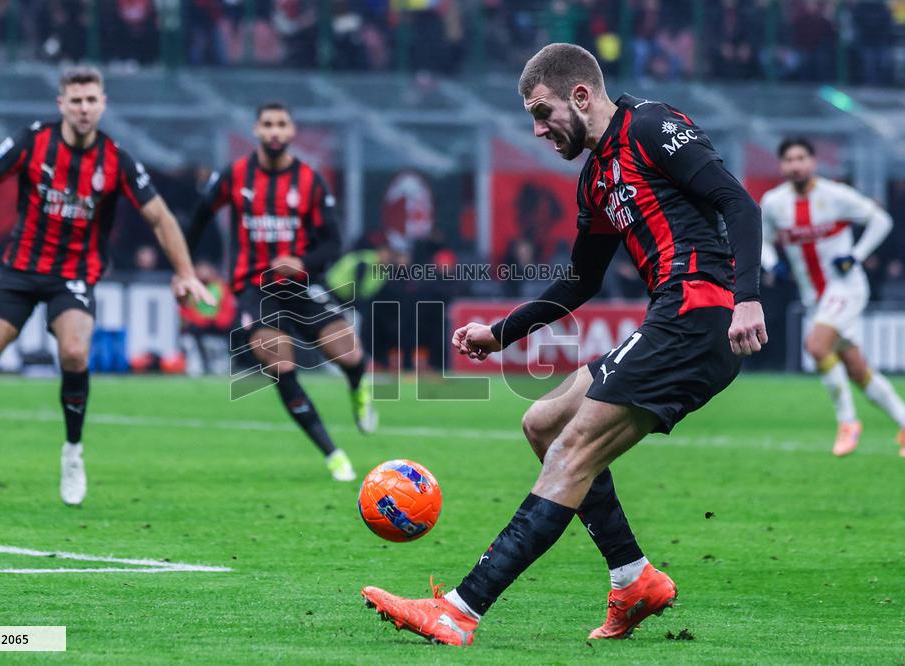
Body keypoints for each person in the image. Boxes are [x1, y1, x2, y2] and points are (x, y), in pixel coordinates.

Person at [361, 43, 767, 646]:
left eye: (542, 111)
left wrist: (749, 296)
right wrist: (501, 334)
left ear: (580, 95)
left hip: (698, 314)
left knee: (572, 451)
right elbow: (582, 279)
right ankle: (634, 580)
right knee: (545, 424)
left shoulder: (653, 126)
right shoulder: (597, 178)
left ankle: (459, 609)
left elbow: (737, 201)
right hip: (672, 317)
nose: (537, 128)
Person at [0, 66, 213, 507]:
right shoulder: (32, 141)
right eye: (75, 100)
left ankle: (73, 454)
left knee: (75, 352)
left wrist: (185, 271)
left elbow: (161, 217)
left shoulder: (116, 159)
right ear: (61, 103)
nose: (83, 108)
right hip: (20, 269)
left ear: (103, 103)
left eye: (91, 100)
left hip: (74, 275)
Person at [187, 101, 376, 483]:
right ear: (256, 130)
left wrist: (302, 262)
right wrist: (192, 266)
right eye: (268, 124)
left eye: (281, 125)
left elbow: (333, 243)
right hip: (254, 288)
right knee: (282, 366)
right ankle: (333, 454)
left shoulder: (309, 180)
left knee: (352, 354)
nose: (274, 131)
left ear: (292, 132)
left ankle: (358, 387)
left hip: (301, 285)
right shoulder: (234, 176)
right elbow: (198, 221)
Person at [761, 137, 904, 457]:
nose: (795, 165)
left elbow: (881, 220)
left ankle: (848, 423)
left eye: (801, 158)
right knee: (855, 367)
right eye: (789, 159)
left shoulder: (835, 195)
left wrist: (855, 254)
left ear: (813, 162)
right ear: (782, 165)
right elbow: (763, 240)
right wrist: (773, 264)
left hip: (847, 288)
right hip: (816, 297)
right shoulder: (774, 203)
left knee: (815, 345)